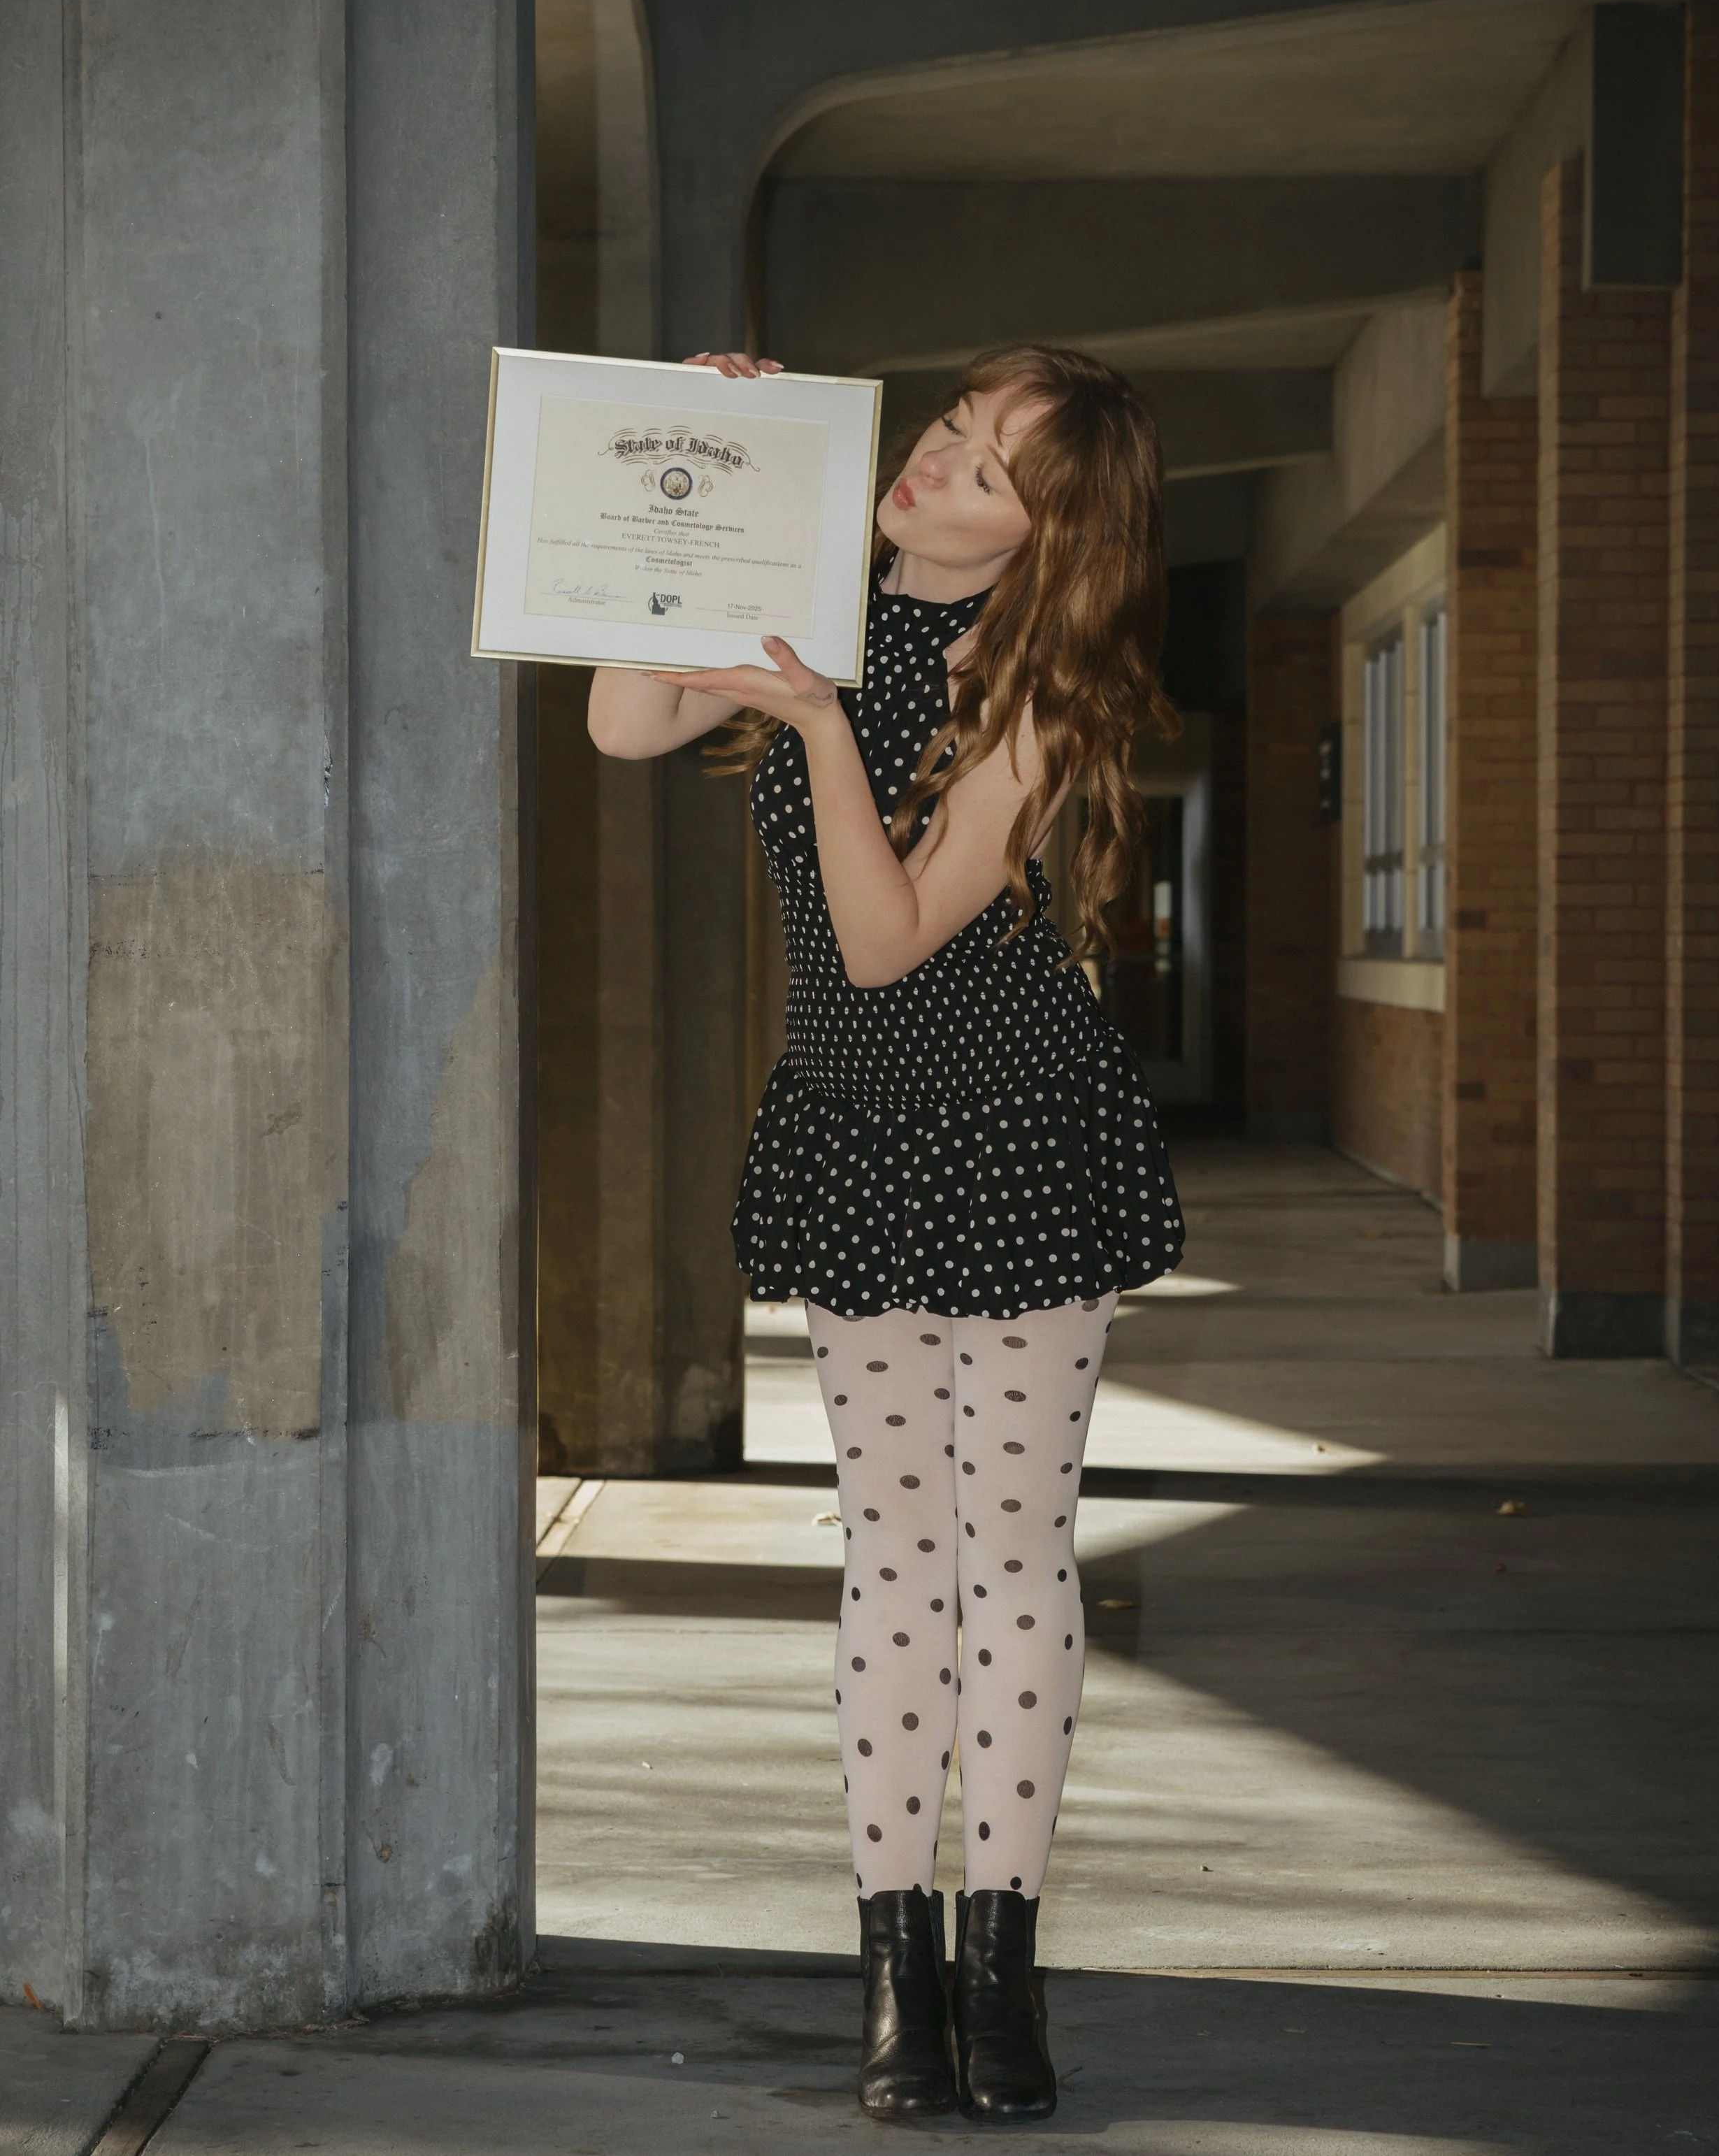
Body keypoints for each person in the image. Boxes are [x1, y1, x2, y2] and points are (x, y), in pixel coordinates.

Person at [589, 342, 1186, 2122]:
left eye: (986, 471)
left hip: (1013, 1130)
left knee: (1006, 1553)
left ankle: (996, 1973)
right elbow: (627, 716)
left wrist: (829, 724)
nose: (931, 470)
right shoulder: (808, 597)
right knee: (887, 1554)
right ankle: (892, 1971)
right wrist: (728, 452)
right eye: (942, 432)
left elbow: (882, 938)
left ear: (1046, 538)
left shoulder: (1028, 688)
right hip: (855, 1127)